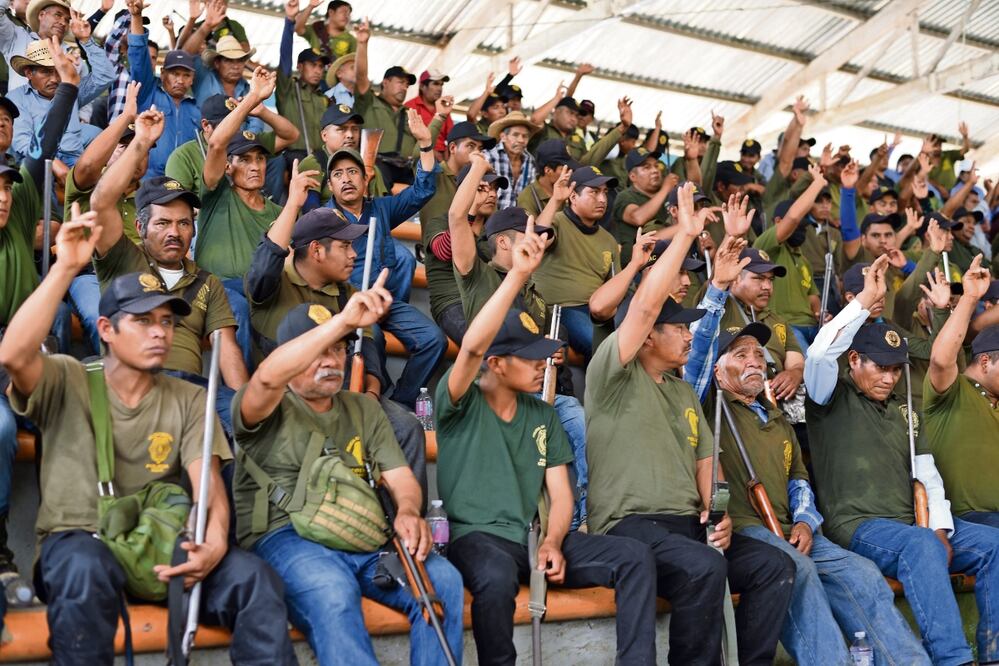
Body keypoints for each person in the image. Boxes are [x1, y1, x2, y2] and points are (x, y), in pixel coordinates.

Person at [0, 223, 295, 663]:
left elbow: (208, 483)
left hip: (160, 545)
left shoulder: (191, 398)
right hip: (81, 542)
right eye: (142, 320)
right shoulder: (68, 377)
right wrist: (65, 267)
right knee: (86, 568)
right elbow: (13, 356)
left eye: (166, 321)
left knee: (253, 579)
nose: (160, 332)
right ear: (106, 329)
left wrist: (214, 541)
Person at [585, 183, 794, 665]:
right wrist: (683, 235)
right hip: (628, 528)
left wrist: (718, 513)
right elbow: (642, 305)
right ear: (648, 337)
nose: (687, 336)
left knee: (774, 566)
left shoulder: (683, 390)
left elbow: (707, 466)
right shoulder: (611, 372)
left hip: (686, 528)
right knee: (703, 567)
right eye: (679, 328)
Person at [440, 218, 657, 665]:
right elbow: (471, 348)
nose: (543, 364)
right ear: (498, 363)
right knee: (496, 580)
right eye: (531, 356)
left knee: (634, 556)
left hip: (531, 538)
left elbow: (560, 495)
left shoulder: (543, 412)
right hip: (477, 538)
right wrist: (518, 274)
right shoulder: (458, 399)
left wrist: (554, 540)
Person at [233, 283, 464, 665]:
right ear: (289, 356)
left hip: (362, 537)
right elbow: (267, 379)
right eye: (317, 350)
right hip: (288, 537)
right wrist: (342, 321)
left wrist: (408, 511)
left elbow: (401, 478)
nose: (331, 361)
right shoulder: (264, 404)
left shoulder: (363, 409)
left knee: (443, 580)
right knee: (332, 591)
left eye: (338, 349)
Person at [694, 321, 930, 665]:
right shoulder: (708, 407)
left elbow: (798, 481)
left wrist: (805, 521)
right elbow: (697, 362)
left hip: (794, 530)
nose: (755, 362)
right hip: (745, 530)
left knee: (862, 572)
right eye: (741, 354)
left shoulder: (778, 420)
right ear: (717, 369)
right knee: (797, 569)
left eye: (760, 355)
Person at [805, 254, 999, 665]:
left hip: (913, 521)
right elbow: (820, 355)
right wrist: (862, 304)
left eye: (896, 369)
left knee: (992, 544)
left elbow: (927, 473)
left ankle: (994, 653)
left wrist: (942, 528)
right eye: (881, 367)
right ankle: (953, 659)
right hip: (858, 524)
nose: (890, 378)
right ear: (854, 360)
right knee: (921, 545)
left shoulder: (902, 405)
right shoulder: (828, 393)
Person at [90, 107, 246, 436]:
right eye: (162, 223)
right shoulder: (122, 260)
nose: (174, 232)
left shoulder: (208, 283)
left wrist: (246, 403)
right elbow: (101, 202)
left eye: (184, 223)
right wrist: (141, 143)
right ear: (140, 227)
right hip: (133, 384)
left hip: (193, 391)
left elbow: (227, 348)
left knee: (245, 420)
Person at [452, 157, 590, 528]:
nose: (535, 247)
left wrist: (552, 352)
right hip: (491, 392)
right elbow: (454, 219)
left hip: (539, 390)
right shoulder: (477, 276)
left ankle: (583, 520)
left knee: (579, 418)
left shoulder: (533, 288)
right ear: (501, 242)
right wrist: (479, 169)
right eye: (524, 241)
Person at [0, 66, 77, 579]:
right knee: (1, 428)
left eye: (7, 190)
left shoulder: (22, 195)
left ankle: (66, 538)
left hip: (29, 353)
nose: (4, 197)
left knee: (73, 413)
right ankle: (2, 541)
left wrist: (68, 87)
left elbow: (43, 150)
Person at [325, 115, 447, 409]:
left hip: (384, 301)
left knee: (434, 340)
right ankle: (371, 404)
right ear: (330, 186)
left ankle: (400, 402)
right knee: (372, 339)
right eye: (338, 175)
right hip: (346, 303)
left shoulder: (381, 207)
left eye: (352, 171)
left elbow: (422, 191)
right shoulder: (323, 219)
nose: (346, 179)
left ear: (365, 178)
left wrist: (425, 144)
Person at [197, 68, 298, 370]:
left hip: (262, 294)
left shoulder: (279, 214)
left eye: (260, 158)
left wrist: (263, 110)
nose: (255, 166)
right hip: (217, 288)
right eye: (244, 159)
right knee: (236, 307)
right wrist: (253, 97)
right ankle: (243, 400)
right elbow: (216, 144)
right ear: (228, 167)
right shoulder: (216, 193)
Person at [924, 257, 999, 528]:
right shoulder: (953, 390)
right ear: (984, 362)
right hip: (966, 520)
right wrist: (969, 297)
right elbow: (942, 361)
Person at [532, 165, 622, 360]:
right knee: (602, 347)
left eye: (605, 193)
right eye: (594, 192)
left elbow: (616, 286)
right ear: (573, 197)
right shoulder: (556, 222)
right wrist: (556, 200)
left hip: (597, 312)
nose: (602, 199)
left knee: (629, 343)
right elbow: (537, 239)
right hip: (560, 309)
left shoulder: (609, 241)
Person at [424, 159, 505, 343]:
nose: (491, 194)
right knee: (483, 344)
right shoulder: (439, 222)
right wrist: (469, 212)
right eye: (482, 189)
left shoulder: (494, 232)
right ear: (464, 192)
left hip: (486, 303)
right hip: (452, 303)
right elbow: (445, 252)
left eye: (494, 189)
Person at [8, 28, 114, 166]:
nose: (54, 79)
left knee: (102, 135)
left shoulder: (71, 90)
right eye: (45, 72)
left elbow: (105, 76)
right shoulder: (16, 98)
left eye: (58, 71)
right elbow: (22, 141)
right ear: (29, 73)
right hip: (36, 165)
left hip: (75, 163)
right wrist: (54, 164)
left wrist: (87, 42)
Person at [753, 166, 828, 350]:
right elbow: (793, 217)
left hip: (813, 326)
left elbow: (812, 297)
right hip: (786, 326)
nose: (802, 229)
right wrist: (817, 183)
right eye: (799, 226)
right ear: (778, 222)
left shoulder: (803, 260)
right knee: (810, 369)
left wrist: (821, 314)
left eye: (805, 227)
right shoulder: (767, 248)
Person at [164, 93, 297, 195]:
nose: (233, 131)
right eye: (226, 125)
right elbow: (176, 203)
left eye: (237, 124)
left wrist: (263, 112)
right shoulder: (183, 156)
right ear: (205, 125)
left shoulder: (247, 142)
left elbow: (290, 135)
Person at [126, 0, 199, 179]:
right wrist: (136, 17)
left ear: (192, 79)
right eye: (175, 73)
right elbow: (138, 58)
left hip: (184, 186)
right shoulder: (147, 94)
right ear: (163, 73)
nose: (180, 80)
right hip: (147, 182)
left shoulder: (197, 109)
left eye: (186, 75)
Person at [185, 5, 265, 135]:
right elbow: (185, 55)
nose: (236, 66)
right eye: (228, 60)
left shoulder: (249, 89)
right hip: (205, 147)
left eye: (240, 60)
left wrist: (243, 144)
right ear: (217, 63)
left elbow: (256, 123)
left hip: (240, 151)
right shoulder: (203, 75)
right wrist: (206, 26)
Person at [277, 0, 330, 164]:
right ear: (300, 66)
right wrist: (289, 22)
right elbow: (285, 58)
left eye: (321, 66)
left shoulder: (325, 97)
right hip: (295, 156)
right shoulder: (288, 90)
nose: (318, 70)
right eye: (313, 65)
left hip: (323, 157)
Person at [418, 120, 493, 231]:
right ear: (453, 148)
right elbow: (416, 155)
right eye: (471, 146)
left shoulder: (481, 183)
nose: (477, 153)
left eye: (480, 149)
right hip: (436, 245)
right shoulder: (434, 174)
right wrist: (440, 117)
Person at [612, 147, 676, 264]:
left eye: (656, 166)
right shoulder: (625, 196)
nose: (655, 170)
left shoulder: (666, 195)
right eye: (647, 167)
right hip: (636, 267)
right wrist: (665, 189)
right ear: (633, 177)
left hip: (665, 259)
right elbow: (638, 218)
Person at [485, 110, 541, 210]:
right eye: (515, 135)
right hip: (490, 220)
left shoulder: (530, 161)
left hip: (518, 222)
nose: (521, 140)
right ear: (503, 137)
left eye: (525, 136)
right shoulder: (489, 156)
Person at [516, 138, 576, 218]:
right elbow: (529, 229)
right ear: (548, 170)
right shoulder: (528, 197)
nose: (569, 173)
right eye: (564, 169)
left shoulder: (569, 190)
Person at [405, 68, 452, 157]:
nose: (439, 88)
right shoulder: (410, 106)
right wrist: (432, 153)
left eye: (441, 84)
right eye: (435, 84)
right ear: (422, 86)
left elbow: (451, 135)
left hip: (442, 157)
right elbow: (408, 140)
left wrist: (447, 153)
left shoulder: (443, 108)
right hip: (419, 155)